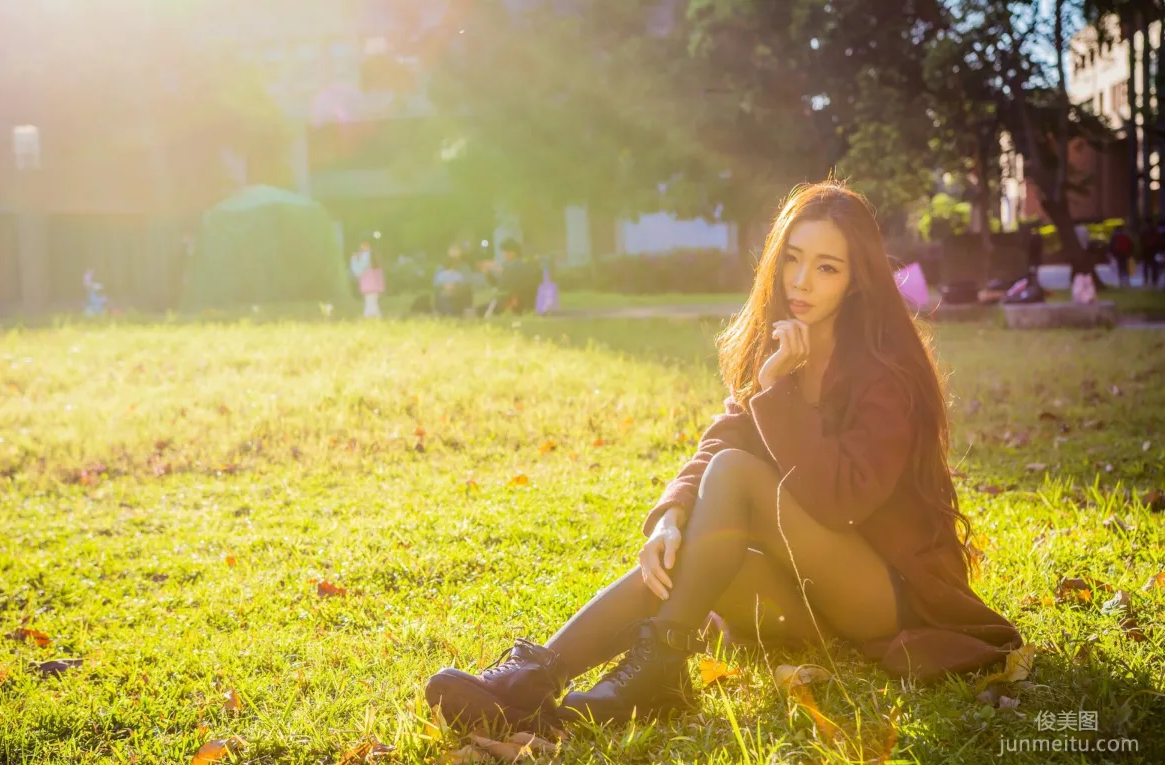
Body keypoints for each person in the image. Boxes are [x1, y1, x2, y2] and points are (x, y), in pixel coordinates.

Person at [423, 181, 1023, 731]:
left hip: (887, 598)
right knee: (696, 550)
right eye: (792, 258)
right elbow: (721, 438)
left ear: (858, 279)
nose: (802, 281)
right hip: (808, 602)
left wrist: (778, 391)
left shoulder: (885, 373)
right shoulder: (787, 345)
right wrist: (670, 516)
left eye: (826, 267)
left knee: (736, 477)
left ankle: (655, 670)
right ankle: (532, 679)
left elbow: (840, 501)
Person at [493, 239, 541, 315]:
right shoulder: (525, 264)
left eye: (505, 252)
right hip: (532, 304)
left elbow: (502, 288)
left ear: (511, 253)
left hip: (516, 306)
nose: (504, 255)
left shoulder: (513, 267)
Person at [432, 245, 474, 317]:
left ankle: (466, 310)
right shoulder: (441, 267)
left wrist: (456, 286)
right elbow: (436, 283)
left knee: (467, 293)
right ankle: (440, 310)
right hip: (445, 294)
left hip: (459, 294)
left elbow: (467, 283)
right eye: (452, 250)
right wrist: (444, 286)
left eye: (456, 250)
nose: (454, 252)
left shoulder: (465, 267)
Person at [350, 240, 385, 318]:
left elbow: (359, 269)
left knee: (370, 301)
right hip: (376, 283)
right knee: (373, 301)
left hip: (368, 282)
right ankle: (374, 316)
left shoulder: (365, 255)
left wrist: (354, 259)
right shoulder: (375, 254)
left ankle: (369, 316)